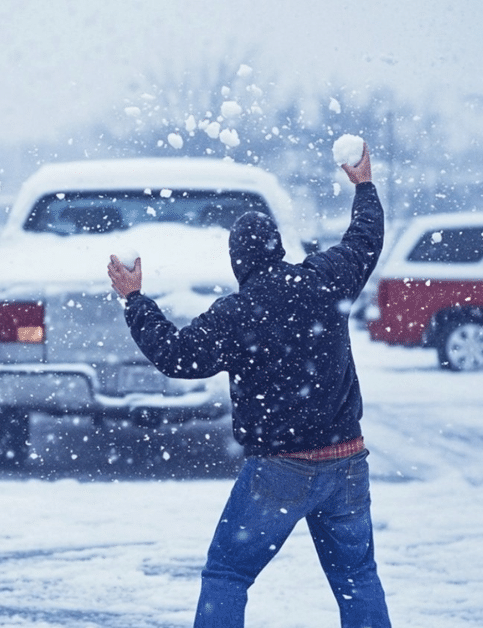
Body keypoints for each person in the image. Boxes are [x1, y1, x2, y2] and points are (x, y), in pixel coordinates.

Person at [107, 143, 391, 628]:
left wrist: (135, 301)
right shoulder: (324, 280)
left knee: (227, 573)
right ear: (278, 248)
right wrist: (363, 185)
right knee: (357, 578)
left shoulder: (235, 315)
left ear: (239, 262)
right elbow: (365, 240)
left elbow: (176, 356)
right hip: (346, 460)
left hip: (278, 471)